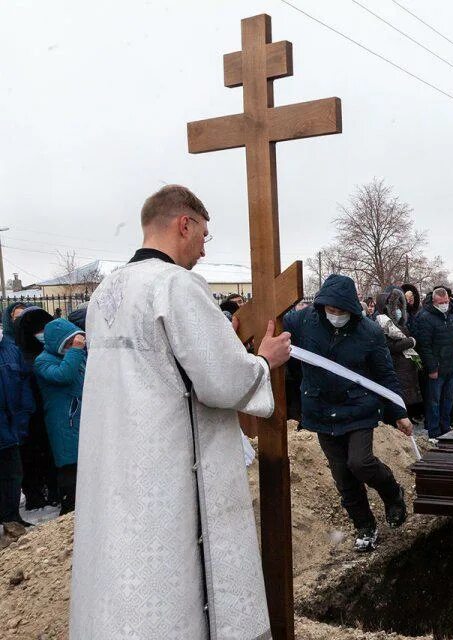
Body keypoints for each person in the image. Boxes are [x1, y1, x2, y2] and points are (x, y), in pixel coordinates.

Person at [71, 185, 292, 639]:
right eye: (204, 235)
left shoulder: (105, 292)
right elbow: (221, 380)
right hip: (169, 470)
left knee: (123, 574)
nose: (204, 249)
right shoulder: (175, 285)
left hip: (117, 464)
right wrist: (264, 360)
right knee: (177, 587)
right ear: (183, 224)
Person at [285, 274, 413, 552]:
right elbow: (275, 322)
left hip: (358, 408)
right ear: (322, 306)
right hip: (319, 409)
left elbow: (384, 373)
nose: (336, 315)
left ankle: (393, 494)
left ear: (351, 309)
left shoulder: (368, 331)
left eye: (341, 311)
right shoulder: (305, 321)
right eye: (331, 310)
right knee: (343, 476)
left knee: (361, 462)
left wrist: (398, 410)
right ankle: (364, 525)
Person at [33, 318, 86, 515]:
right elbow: (63, 375)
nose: (75, 343)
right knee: (69, 463)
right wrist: (75, 351)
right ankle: (68, 506)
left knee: (83, 462)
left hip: (80, 417)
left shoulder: (77, 356)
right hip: (63, 420)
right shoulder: (43, 361)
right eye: (70, 341)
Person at [12, 306, 58, 511]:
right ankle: (35, 496)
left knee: (50, 455)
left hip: (50, 415)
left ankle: (53, 491)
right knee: (30, 459)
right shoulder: (18, 355)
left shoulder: (53, 352)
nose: (43, 334)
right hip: (28, 419)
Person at [414, 286, 453, 440]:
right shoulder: (425, 317)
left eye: (446, 301)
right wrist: (432, 367)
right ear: (434, 302)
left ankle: (445, 427)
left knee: (448, 399)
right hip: (436, 367)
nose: (444, 304)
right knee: (434, 401)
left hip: (451, 365)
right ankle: (434, 431)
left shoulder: (452, 313)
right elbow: (424, 346)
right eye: (441, 302)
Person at [0, 322, 35, 528]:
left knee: (12, 475)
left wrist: (23, 417)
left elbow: (24, 384)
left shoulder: (12, 350)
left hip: (10, 427)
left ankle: (12, 518)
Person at [374, 288, 422, 413]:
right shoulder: (382, 324)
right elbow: (389, 345)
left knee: (405, 404)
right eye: (396, 308)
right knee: (397, 404)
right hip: (396, 368)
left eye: (401, 307)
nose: (399, 311)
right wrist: (411, 342)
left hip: (405, 368)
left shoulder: (401, 325)